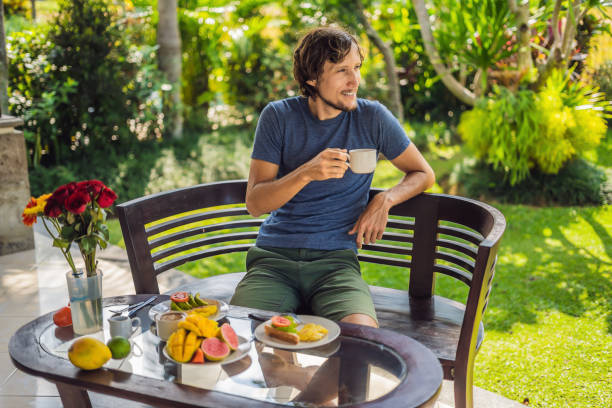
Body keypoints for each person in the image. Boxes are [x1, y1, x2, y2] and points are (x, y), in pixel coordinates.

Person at [230, 25, 435, 328]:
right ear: (312, 78)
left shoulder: (373, 118)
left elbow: (423, 173)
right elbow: (255, 203)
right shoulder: (278, 117)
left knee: (362, 338)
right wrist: (306, 173)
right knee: (254, 340)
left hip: (336, 263)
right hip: (274, 261)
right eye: (342, 71)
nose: (355, 81)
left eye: (357, 67)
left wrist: (384, 199)